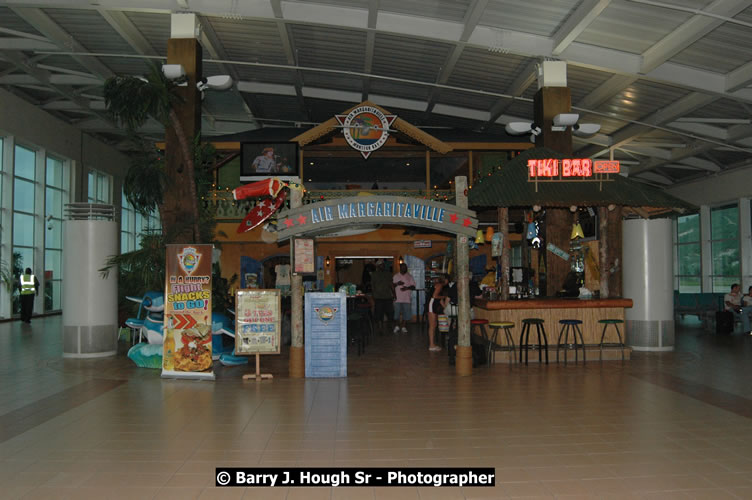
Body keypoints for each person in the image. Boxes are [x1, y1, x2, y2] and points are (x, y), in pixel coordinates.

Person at [427, 274, 449, 351]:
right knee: (432, 326)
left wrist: (445, 308)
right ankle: (431, 345)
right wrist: (444, 297)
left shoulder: (439, 285)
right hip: (431, 305)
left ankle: (432, 344)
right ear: (445, 280)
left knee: (434, 325)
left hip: (433, 305)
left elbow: (439, 300)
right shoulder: (439, 285)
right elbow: (435, 296)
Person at [370, 260, 394, 332]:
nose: (382, 266)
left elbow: (391, 284)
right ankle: (380, 328)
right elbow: (372, 286)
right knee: (379, 313)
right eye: (380, 265)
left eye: (383, 264)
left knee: (390, 313)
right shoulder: (374, 274)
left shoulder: (388, 273)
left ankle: (390, 326)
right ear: (377, 266)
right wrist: (373, 295)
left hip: (388, 296)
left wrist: (394, 294)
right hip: (378, 297)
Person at [392, 262, 415, 334]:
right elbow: (391, 286)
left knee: (406, 314)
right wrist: (397, 284)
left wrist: (407, 288)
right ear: (400, 268)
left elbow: (413, 287)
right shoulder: (396, 276)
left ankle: (403, 326)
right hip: (397, 298)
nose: (404, 268)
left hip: (407, 298)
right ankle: (397, 326)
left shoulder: (410, 276)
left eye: (405, 267)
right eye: (403, 267)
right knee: (396, 313)